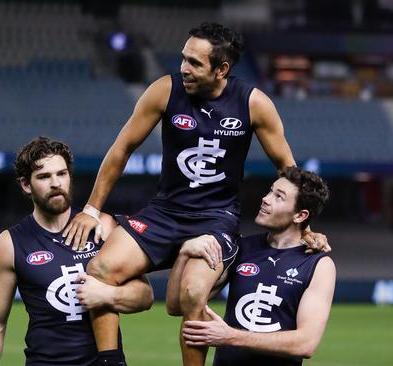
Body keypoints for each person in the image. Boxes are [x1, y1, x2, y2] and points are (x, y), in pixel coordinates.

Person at [63, 22, 328, 366]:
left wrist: (303, 231)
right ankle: (110, 362)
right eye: (183, 59)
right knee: (99, 269)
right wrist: (92, 210)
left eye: (194, 63)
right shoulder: (164, 90)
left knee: (192, 293)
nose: (184, 69)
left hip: (215, 220)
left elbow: (290, 173)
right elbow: (121, 149)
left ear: (222, 70)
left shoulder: (254, 104)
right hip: (164, 212)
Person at [0, 137, 153, 366]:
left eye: (61, 174)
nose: (55, 183)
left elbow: (145, 296)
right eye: (44, 177)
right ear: (25, 185)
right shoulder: (10, 243)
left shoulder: (104, 227)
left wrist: (107, 295)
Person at [172, 167, 335, 366]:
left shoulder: (318, 265)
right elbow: (177, 306)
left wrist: (229, 336)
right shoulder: (240, 247)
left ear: (300, 216)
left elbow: (305, 344)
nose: (265, 199)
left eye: (278, 197)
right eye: (270, 191)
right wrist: (183, 253)